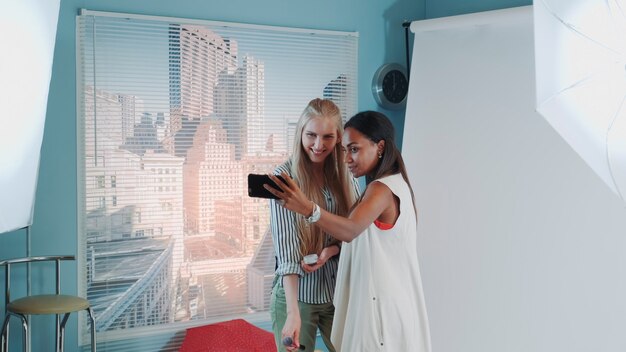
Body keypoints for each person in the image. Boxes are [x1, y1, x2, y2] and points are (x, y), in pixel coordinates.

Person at [267, 111, 432, 352]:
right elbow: (361, 235)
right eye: (344, 150)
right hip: (383, 302)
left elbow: (352, 229)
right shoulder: (393, 183)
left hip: (379, 306)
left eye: (354, 149)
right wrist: (332, 250)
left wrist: (307, 208)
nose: (346, 159)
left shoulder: (381, 189)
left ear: (380, 147)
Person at [269, 98, 359, 352]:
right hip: (296, 297)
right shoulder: (284, 178)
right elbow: (287, 256)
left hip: (335, 295)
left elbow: (353, 230)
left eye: (328, 137)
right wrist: (293, 313)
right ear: (300, 133)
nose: (318, 145)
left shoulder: (345, 173)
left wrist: (332, 250)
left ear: (338, 138)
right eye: (311, 135)